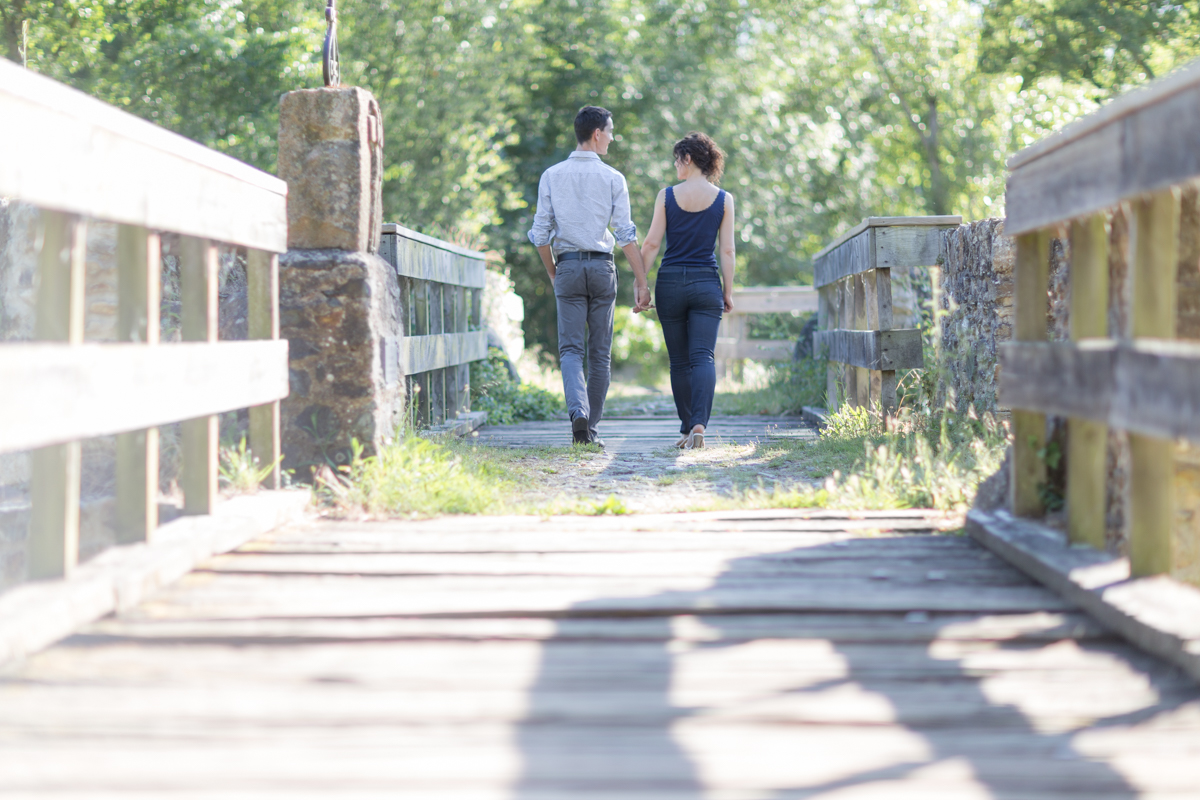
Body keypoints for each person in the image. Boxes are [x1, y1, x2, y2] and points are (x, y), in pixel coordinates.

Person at [528, 106, 651, 446]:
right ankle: (590, 430)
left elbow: (540, 235)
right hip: (601, 268)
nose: (612, 138)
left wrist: (554, 273)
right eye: (610, 132)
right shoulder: (613, 179)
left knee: (569, 350)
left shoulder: (551, 175)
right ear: (597, 133)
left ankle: (577, 413)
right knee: (599, 354)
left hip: (566, 266)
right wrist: (642, 283)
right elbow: (626, 235)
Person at [638, 132, 735, 449]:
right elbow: (728, 251)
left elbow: (652, 244)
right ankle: (698, 426)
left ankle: (684, 429)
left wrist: (641, 283)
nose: (675, 165)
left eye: (676, 159)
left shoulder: (666, 196)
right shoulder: (724, 199)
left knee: (679, 361)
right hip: (706, 283)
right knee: (703, 357)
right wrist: (728, 292)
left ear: (688, 158)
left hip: (670, 284)